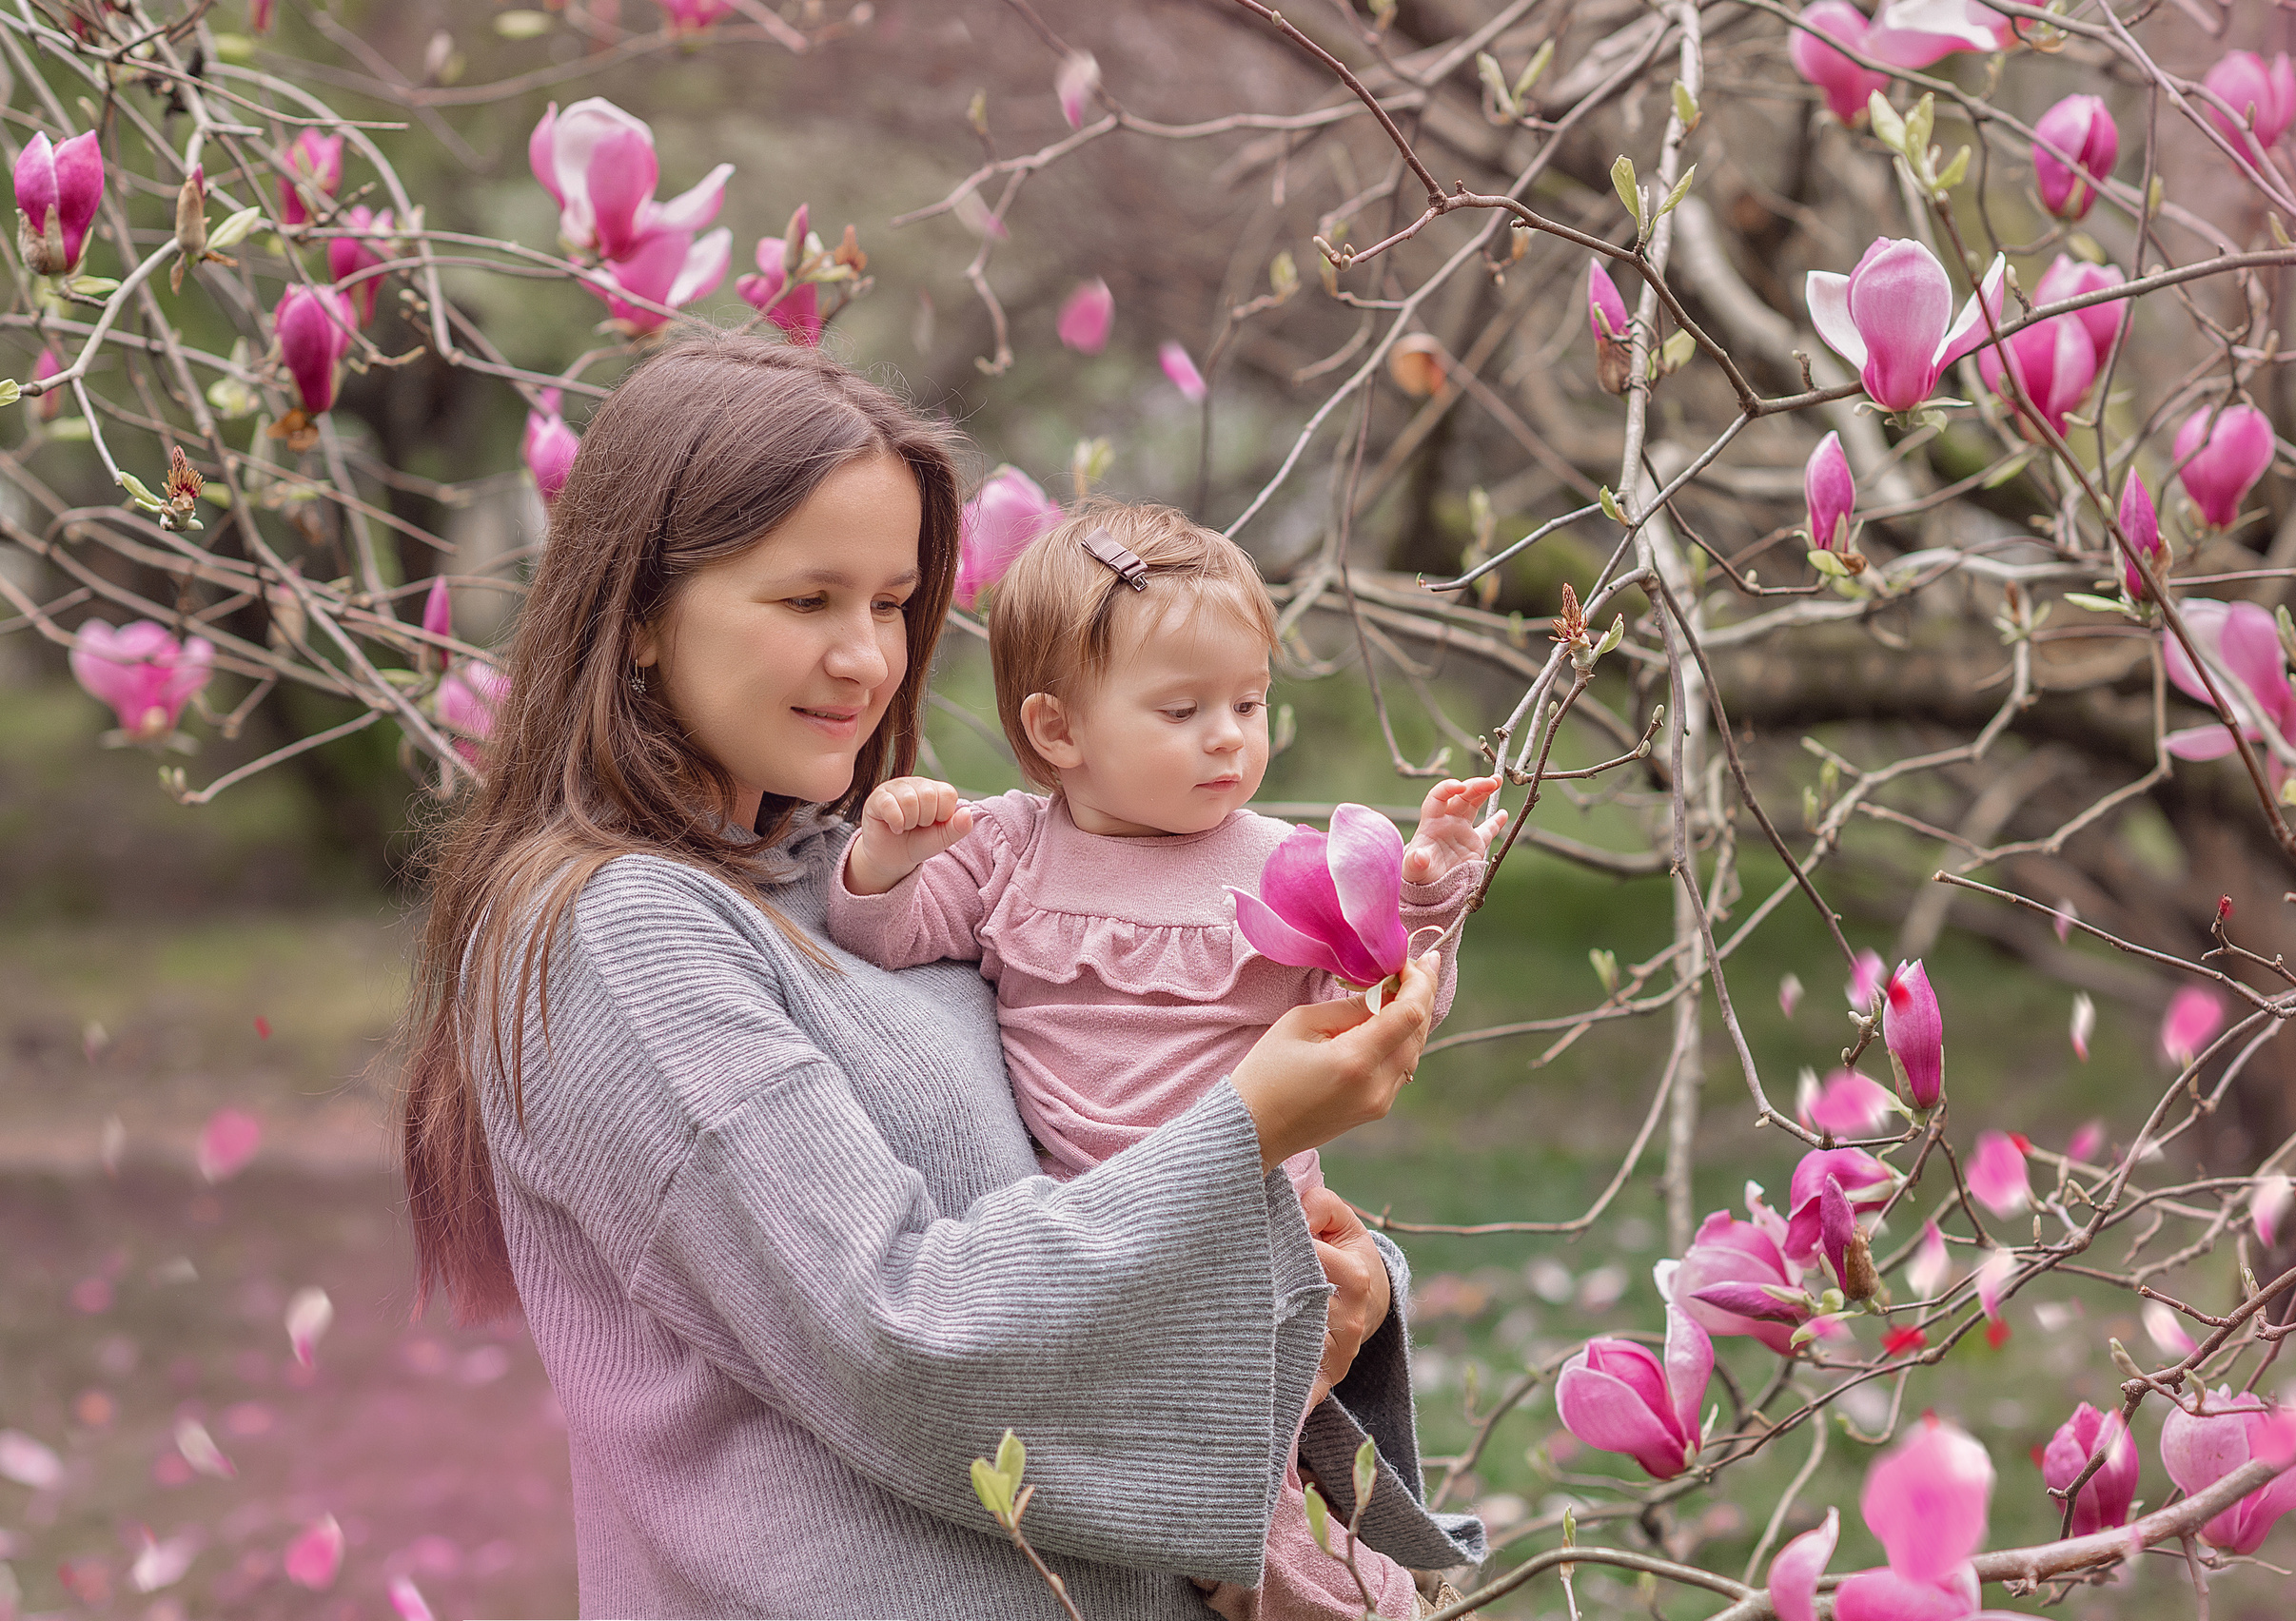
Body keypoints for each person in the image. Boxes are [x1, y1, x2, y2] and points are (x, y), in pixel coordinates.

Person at [397, 333, 1484, 1619]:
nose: (867, 657)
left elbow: (1069, 1191)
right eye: (806, 601)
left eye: (893, 601)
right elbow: (902, 1335)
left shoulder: (854, 871)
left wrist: (1326, 1297)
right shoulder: (619, 937)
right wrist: (1249, 1127)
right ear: (636, 616)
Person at [827, 501, 1505, 1618]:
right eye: (1183, 710)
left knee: (1268, 1516)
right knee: (1218, 1498)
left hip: (1252, 1241)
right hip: (1091, 1248)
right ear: (1058, 731)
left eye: (1248, 702)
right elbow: (882, 937)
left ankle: (1363, 1595)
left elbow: (1388, 1001)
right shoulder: (1006, 850)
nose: (1232, 735)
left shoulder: (1290, 864)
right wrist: (886, 854)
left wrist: (1425, 887)